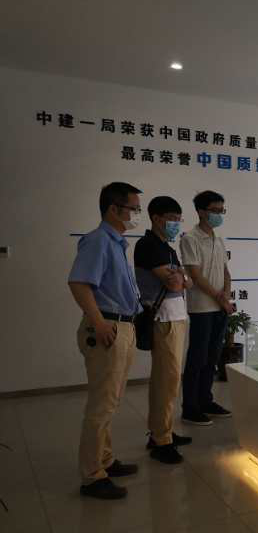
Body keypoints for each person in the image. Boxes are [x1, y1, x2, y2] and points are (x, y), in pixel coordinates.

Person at [68, 182, 143, 500]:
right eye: (133, 209)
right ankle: (92, 476)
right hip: (107, 328)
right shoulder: (99, 240)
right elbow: (79, 283)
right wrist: (98, 322)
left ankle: (105, 459)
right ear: (114, 209)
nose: (136, 214)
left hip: (122, 326)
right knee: (101, 405)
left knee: (111, 400)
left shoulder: (117, 243)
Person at [134, 196, 193, 464]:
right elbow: (175, 283)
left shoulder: (166, 247)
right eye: (172, 219)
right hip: (164, 318)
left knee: (168, 379)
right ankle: (161, 439)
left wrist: (180, 277)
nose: (176, 224)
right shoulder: (148, 245)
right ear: (156, 218)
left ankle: (162, 430)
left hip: (175, 317)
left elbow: (184, 279)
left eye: (179, 219)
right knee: (166, 380)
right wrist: (180, 278)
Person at [180, 191, 233, 426]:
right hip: (202, 307)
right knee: (198, 358)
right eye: (215, 210)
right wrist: (219, 297)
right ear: (201, 211)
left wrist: (226, 295)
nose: (219, 215)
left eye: (222, 210)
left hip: (220, 307)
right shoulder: (190, 238)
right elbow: (195, 275)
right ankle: (190, 407)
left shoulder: (218, 239)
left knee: (212, 357)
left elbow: (226, 272)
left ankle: (206, 400)